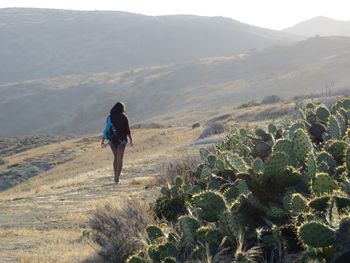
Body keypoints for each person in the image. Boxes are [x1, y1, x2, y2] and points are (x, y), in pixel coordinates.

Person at [101, 102, 133, 185]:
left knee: (115, 158)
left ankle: (115, 175)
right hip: (121, 140)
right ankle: (117, 178)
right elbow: (127, 130)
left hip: (112, 140)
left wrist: (103, 140)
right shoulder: (123, 117)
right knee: (120, 159)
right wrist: (131, 140)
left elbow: (106, 129)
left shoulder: (110, 117)